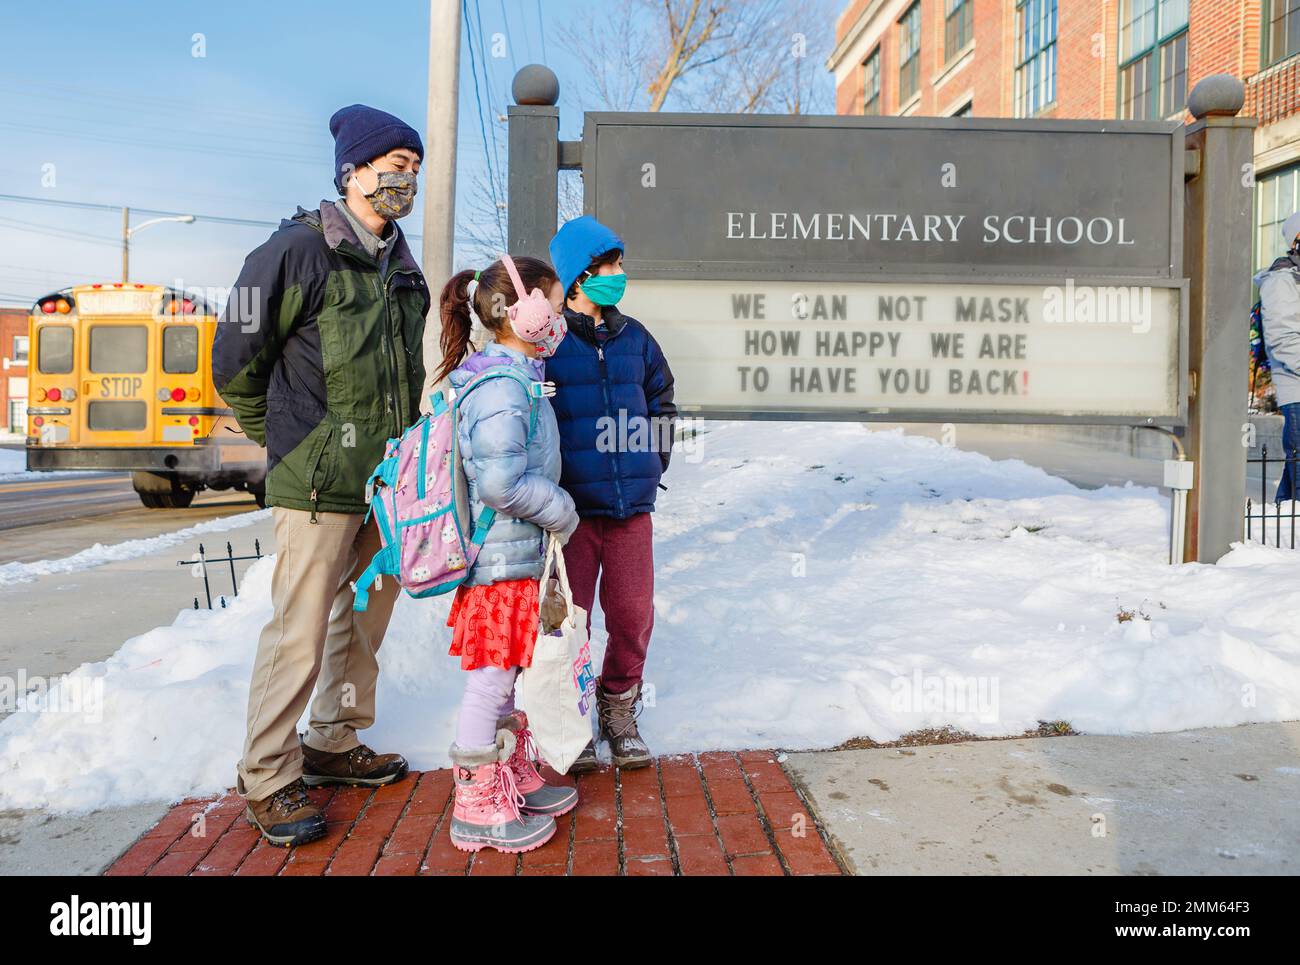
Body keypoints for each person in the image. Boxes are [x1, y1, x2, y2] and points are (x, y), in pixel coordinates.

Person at [212, 104, 429, 847]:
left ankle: (332, 741)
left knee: (360, 621)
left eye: (414, 171)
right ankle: (268, 775)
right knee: (299, 631)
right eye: (396, 168)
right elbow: (233, 360)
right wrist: (289, 442)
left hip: (387, 483)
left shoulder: (403, 264)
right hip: (315, 480)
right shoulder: (292, 251)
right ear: (353, 173)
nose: (407, 182)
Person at [435, 255, 580, 852]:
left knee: (511, 673)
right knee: (491, 682)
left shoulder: (514, 374)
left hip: (514, 556)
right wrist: (561, 509)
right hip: (498, 559)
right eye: (552, 298)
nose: (561, 312)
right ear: (521, 311)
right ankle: (475, 806)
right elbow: (500, 484)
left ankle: (507, 774)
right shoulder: (500, 383)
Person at [544, 216, 676, 770]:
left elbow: (664, 405)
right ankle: (569, 718)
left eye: (618, 265)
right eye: (609, 266)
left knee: (632, 613)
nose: (619, 275)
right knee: (572, 621)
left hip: (630, 511)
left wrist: (650, 462)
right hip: (571, 514)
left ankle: (618, 705)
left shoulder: (637, 338)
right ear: (578, 277)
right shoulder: (546, 342)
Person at [1256, 210, 1300, 503]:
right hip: (1297, 391)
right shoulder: (1282, 281)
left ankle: (1280, 530)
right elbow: (1283, 339)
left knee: (1294, 467)